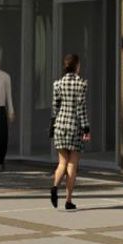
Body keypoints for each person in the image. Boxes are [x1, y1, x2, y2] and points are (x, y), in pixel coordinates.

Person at [49, 53, 91, 211]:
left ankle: (54, 186)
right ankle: (68, 200)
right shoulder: (81, 84)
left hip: (60, 125)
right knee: (72, 164)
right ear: (77, 66)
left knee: (62, 162)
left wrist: (53, 126)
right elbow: (81, 108)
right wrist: (86, 128)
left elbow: (55, 107)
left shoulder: (57, 84)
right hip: (74, 126)